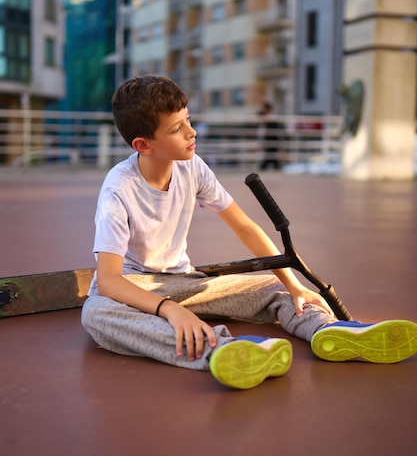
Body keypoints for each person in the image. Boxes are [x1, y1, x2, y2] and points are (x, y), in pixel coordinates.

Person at [81, 75, 417, 390]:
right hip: (135, 290)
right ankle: (226, 350)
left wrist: (294, 285)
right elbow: (109, 281)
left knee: (278, 287)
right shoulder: (118, 190)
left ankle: (329, 330)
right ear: (144, 145)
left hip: (184, 282)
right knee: (97, 315)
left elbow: (244, 226)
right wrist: (170, 309)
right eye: (177, 129)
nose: (191, 133)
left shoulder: (192, 166)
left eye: (188, 121)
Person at [257, 101, 283, 171]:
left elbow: (275, 132)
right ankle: (276, 166)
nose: (262, 110)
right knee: (271, 157)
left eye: (264, 108)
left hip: (270, 141)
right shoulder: (266, 118)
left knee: (270, 157)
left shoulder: (272, 119)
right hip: (268, 142)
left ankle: (267, 167)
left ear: (267, 109)